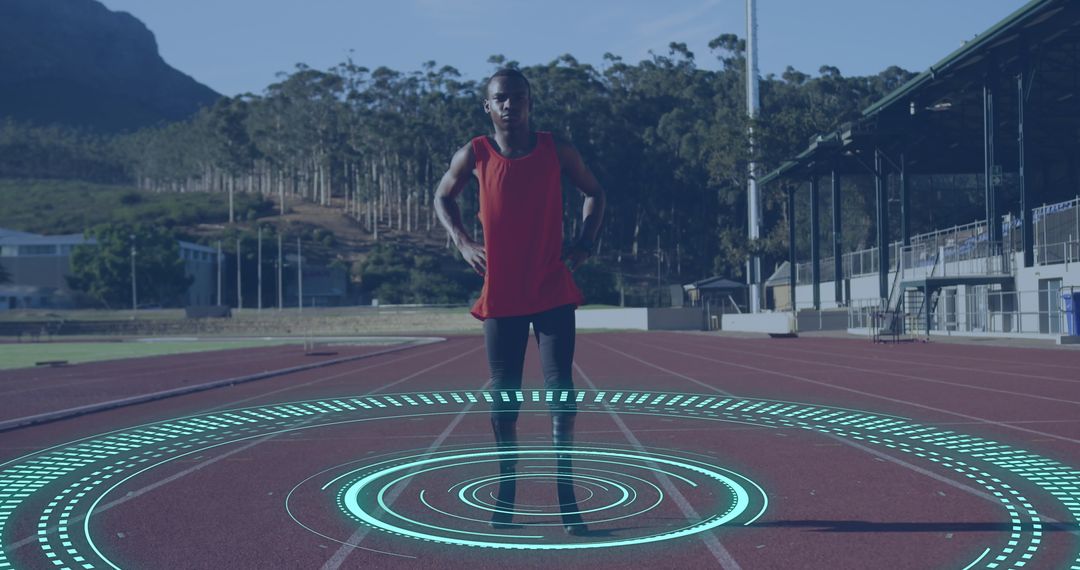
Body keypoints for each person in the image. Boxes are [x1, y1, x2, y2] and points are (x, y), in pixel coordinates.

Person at [433, 68, 606, 536]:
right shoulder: (476, 153)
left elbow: (595, 192)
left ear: (530, 103)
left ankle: (568, 501)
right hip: (503, 293)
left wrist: (586, 241)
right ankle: (506, 496)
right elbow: (443, 197)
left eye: (519, 97)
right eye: (501, 98)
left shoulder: (556, 149)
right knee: (504, 399)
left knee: (561, 394)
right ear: (487, 106)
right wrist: (464, 242)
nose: (511, 105)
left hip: (551, 290)